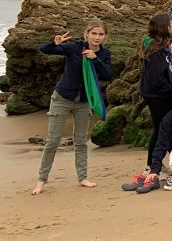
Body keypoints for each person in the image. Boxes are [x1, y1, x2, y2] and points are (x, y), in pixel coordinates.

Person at [31, 21, 112, 195]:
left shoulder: (104, 54)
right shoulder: (74, 48)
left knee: (81, 141)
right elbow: (44, 49)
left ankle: (82, 178)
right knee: (53, 141)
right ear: (87, 34)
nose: (97, 38)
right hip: (62, 97)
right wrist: (55, 43)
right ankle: (41, 180)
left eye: (101, 34)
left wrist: (95, 59)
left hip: (84, 101)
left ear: (105, 36)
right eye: (94, 34)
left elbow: (107, 74)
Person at [138, 14, 172, 173]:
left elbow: (166, 70)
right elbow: (156, 79)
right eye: (170, 24)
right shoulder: (154, 50)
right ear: (164, 27)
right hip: (158, 97)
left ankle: (165, 161)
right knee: (161, 129)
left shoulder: (161, 47)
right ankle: (152, 164)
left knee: (163, 128)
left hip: (158, 95)